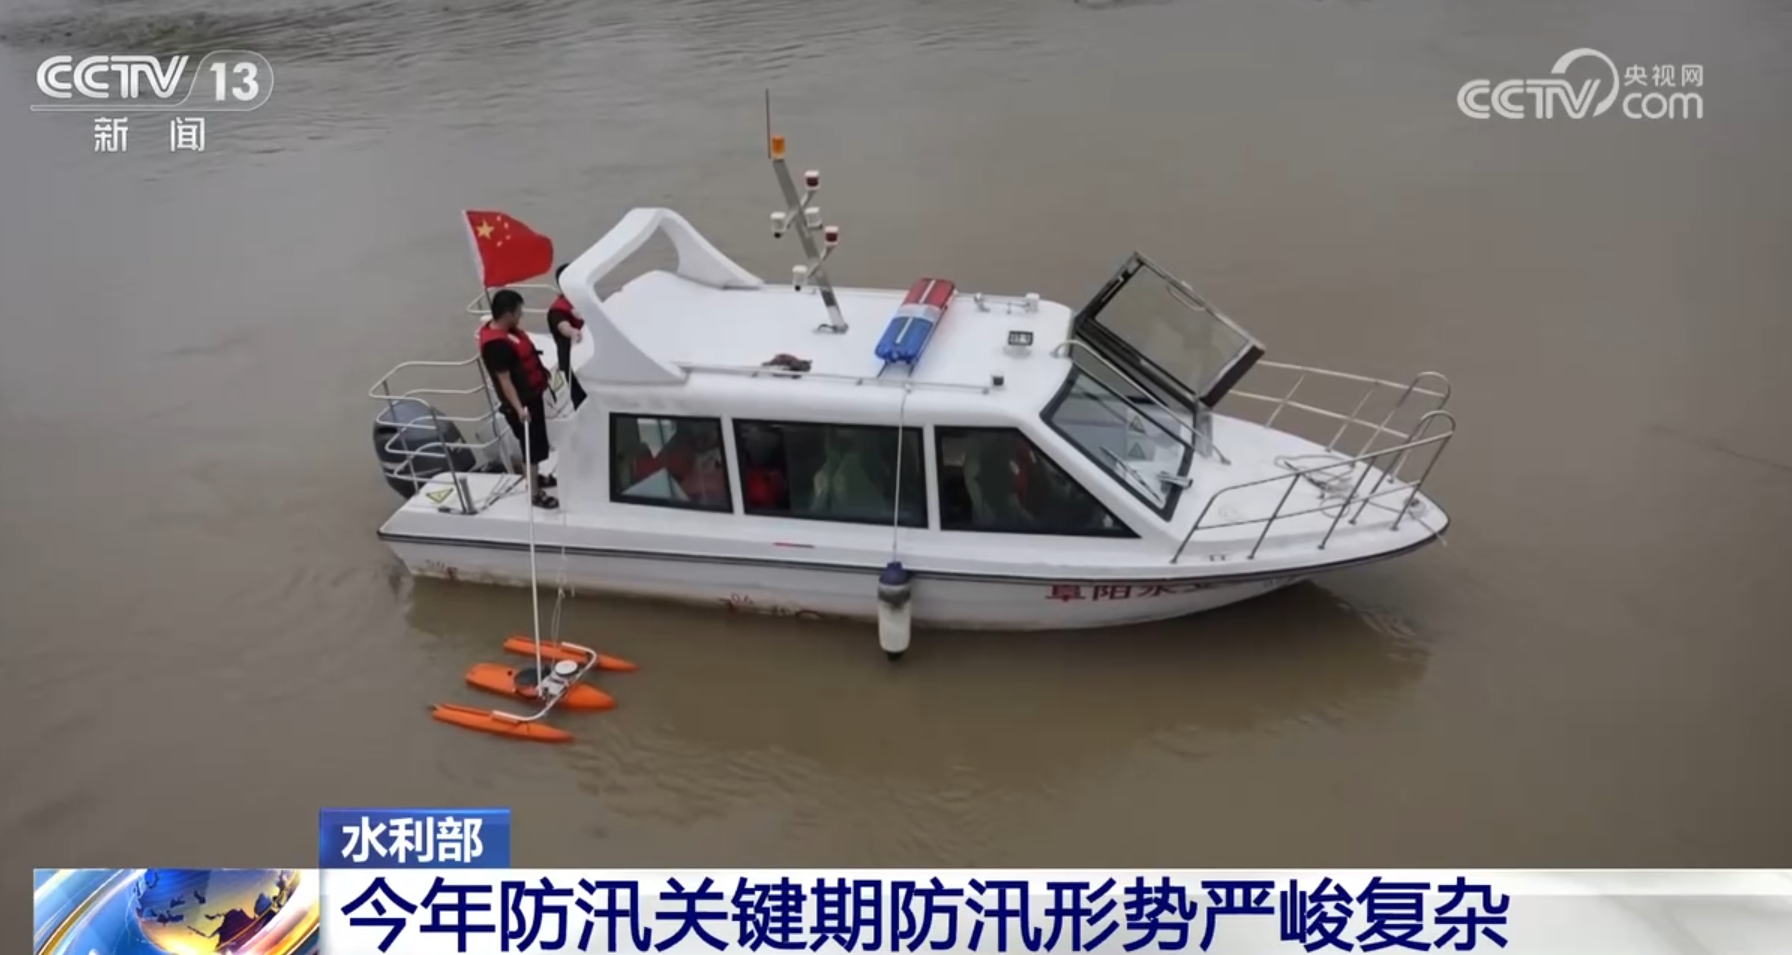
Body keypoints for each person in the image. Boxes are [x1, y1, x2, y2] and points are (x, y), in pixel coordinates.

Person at [478, 289, 558, 509]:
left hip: (532, 396)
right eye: (518, 311)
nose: (520, 315)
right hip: (522, 405)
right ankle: (535, 493)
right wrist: (519, 409)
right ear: (507, 314)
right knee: (531, 447)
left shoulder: (509, 333)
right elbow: (505, 380)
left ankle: (535, 477)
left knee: (537, 444)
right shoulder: (497, 346)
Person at [546, 264, 588, 409]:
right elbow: (563, 326)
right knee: (581, 400)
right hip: (573, 363)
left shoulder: (583, 299)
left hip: (589, 356)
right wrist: (573, 332)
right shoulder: (557, 311)